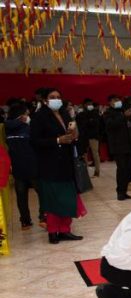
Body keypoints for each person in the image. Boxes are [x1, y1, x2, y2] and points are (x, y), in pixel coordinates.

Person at [30, 87, 86, 243]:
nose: (56, 99)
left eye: (58, 97)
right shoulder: (39, 117)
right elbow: (34, 141)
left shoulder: (64, 114)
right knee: (53, 199)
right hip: (50, 164)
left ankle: (65, 230)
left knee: (67, 198)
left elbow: (71, 135)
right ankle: (53, 232)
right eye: (52, 97)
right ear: (45, 100)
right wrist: (57, 140)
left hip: (66, 162)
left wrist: (74, 134)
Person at [5, 103, 44, 229]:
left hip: (17, 166)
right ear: (22, 115)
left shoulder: (6, 128)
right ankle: (43, 217)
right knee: (42, 193)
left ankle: (25, 222)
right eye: (27, 113)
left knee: (21, 196)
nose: (28, 116)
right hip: (32, 165)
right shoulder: (28, 127)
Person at [103, 94, 131, 200]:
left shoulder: (122, 111)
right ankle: (120, 192)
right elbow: (110, 125)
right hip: (118, 146)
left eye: (118, 99)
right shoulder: (108, 113)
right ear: (110, 102)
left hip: (128, 145)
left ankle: (124, 190)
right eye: (114, 100)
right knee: (121, 169)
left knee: (127, 170)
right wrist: (123, 116)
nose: (117, 101)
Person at [75, 98, 102, 177]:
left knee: (95, 154)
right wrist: (89, 121)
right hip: (83, 137)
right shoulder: (81, 114)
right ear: (84, 105)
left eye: (91, 104)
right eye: (88, 104)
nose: (90, 105)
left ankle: (97, 171)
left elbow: (96, 124)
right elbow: (80, 124)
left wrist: (89, 122)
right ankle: (85, 172)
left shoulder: (96, 113)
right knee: (84, 154)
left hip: (94, 136)